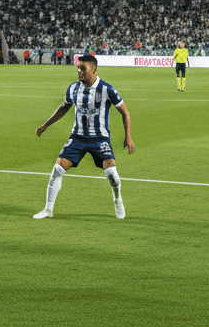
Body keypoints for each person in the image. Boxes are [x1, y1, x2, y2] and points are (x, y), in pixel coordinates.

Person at [34, 54, 135, 220]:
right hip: (77, 138)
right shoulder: (73, 88)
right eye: (78, 68)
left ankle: (117, 199)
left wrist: (128, 137)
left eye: (83, 68)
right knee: (57, 170)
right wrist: (45, 125)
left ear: (94, 69)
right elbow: (63, 108)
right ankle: (48, 209)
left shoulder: (107, 89)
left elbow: (124, 111)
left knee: (112, 175)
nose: (79, 71)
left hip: (100, 139)